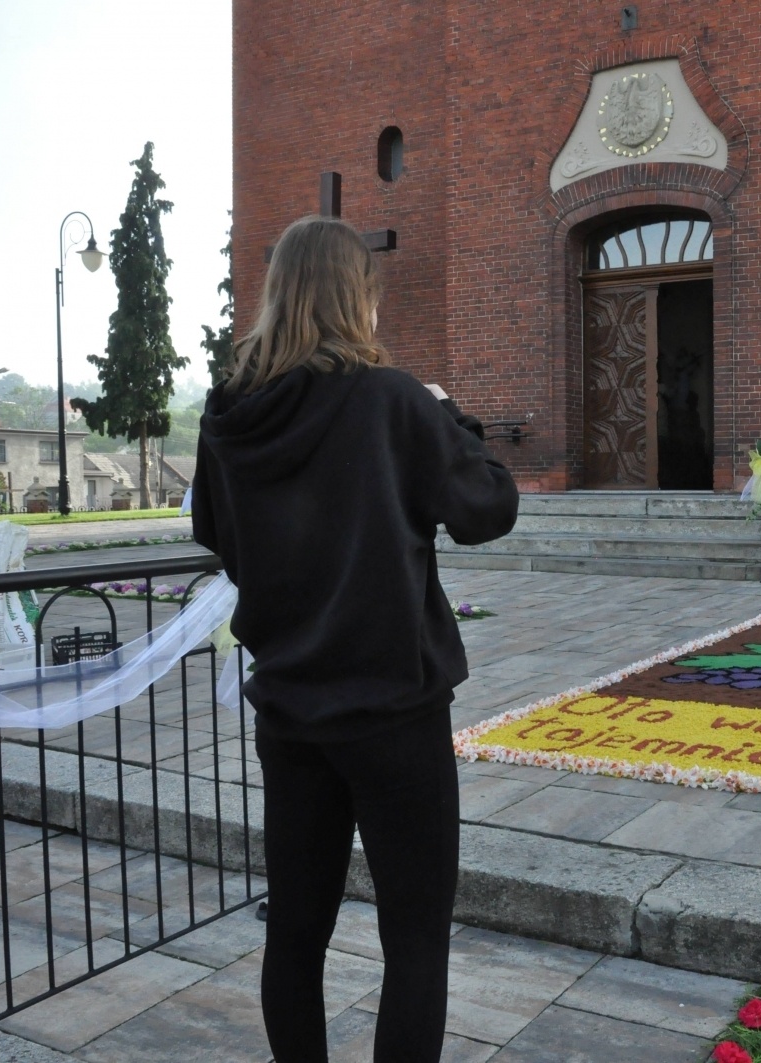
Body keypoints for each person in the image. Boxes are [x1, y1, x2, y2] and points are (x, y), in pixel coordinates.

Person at [191, 215, 519, 1063]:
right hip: (392, 711)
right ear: (356, 298)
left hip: (290, 708)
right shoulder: (393, 399)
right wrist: (456, 422)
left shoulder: (228, 417)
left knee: (295, 930)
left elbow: (213, 530)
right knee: (415, 938)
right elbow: (488, 508)